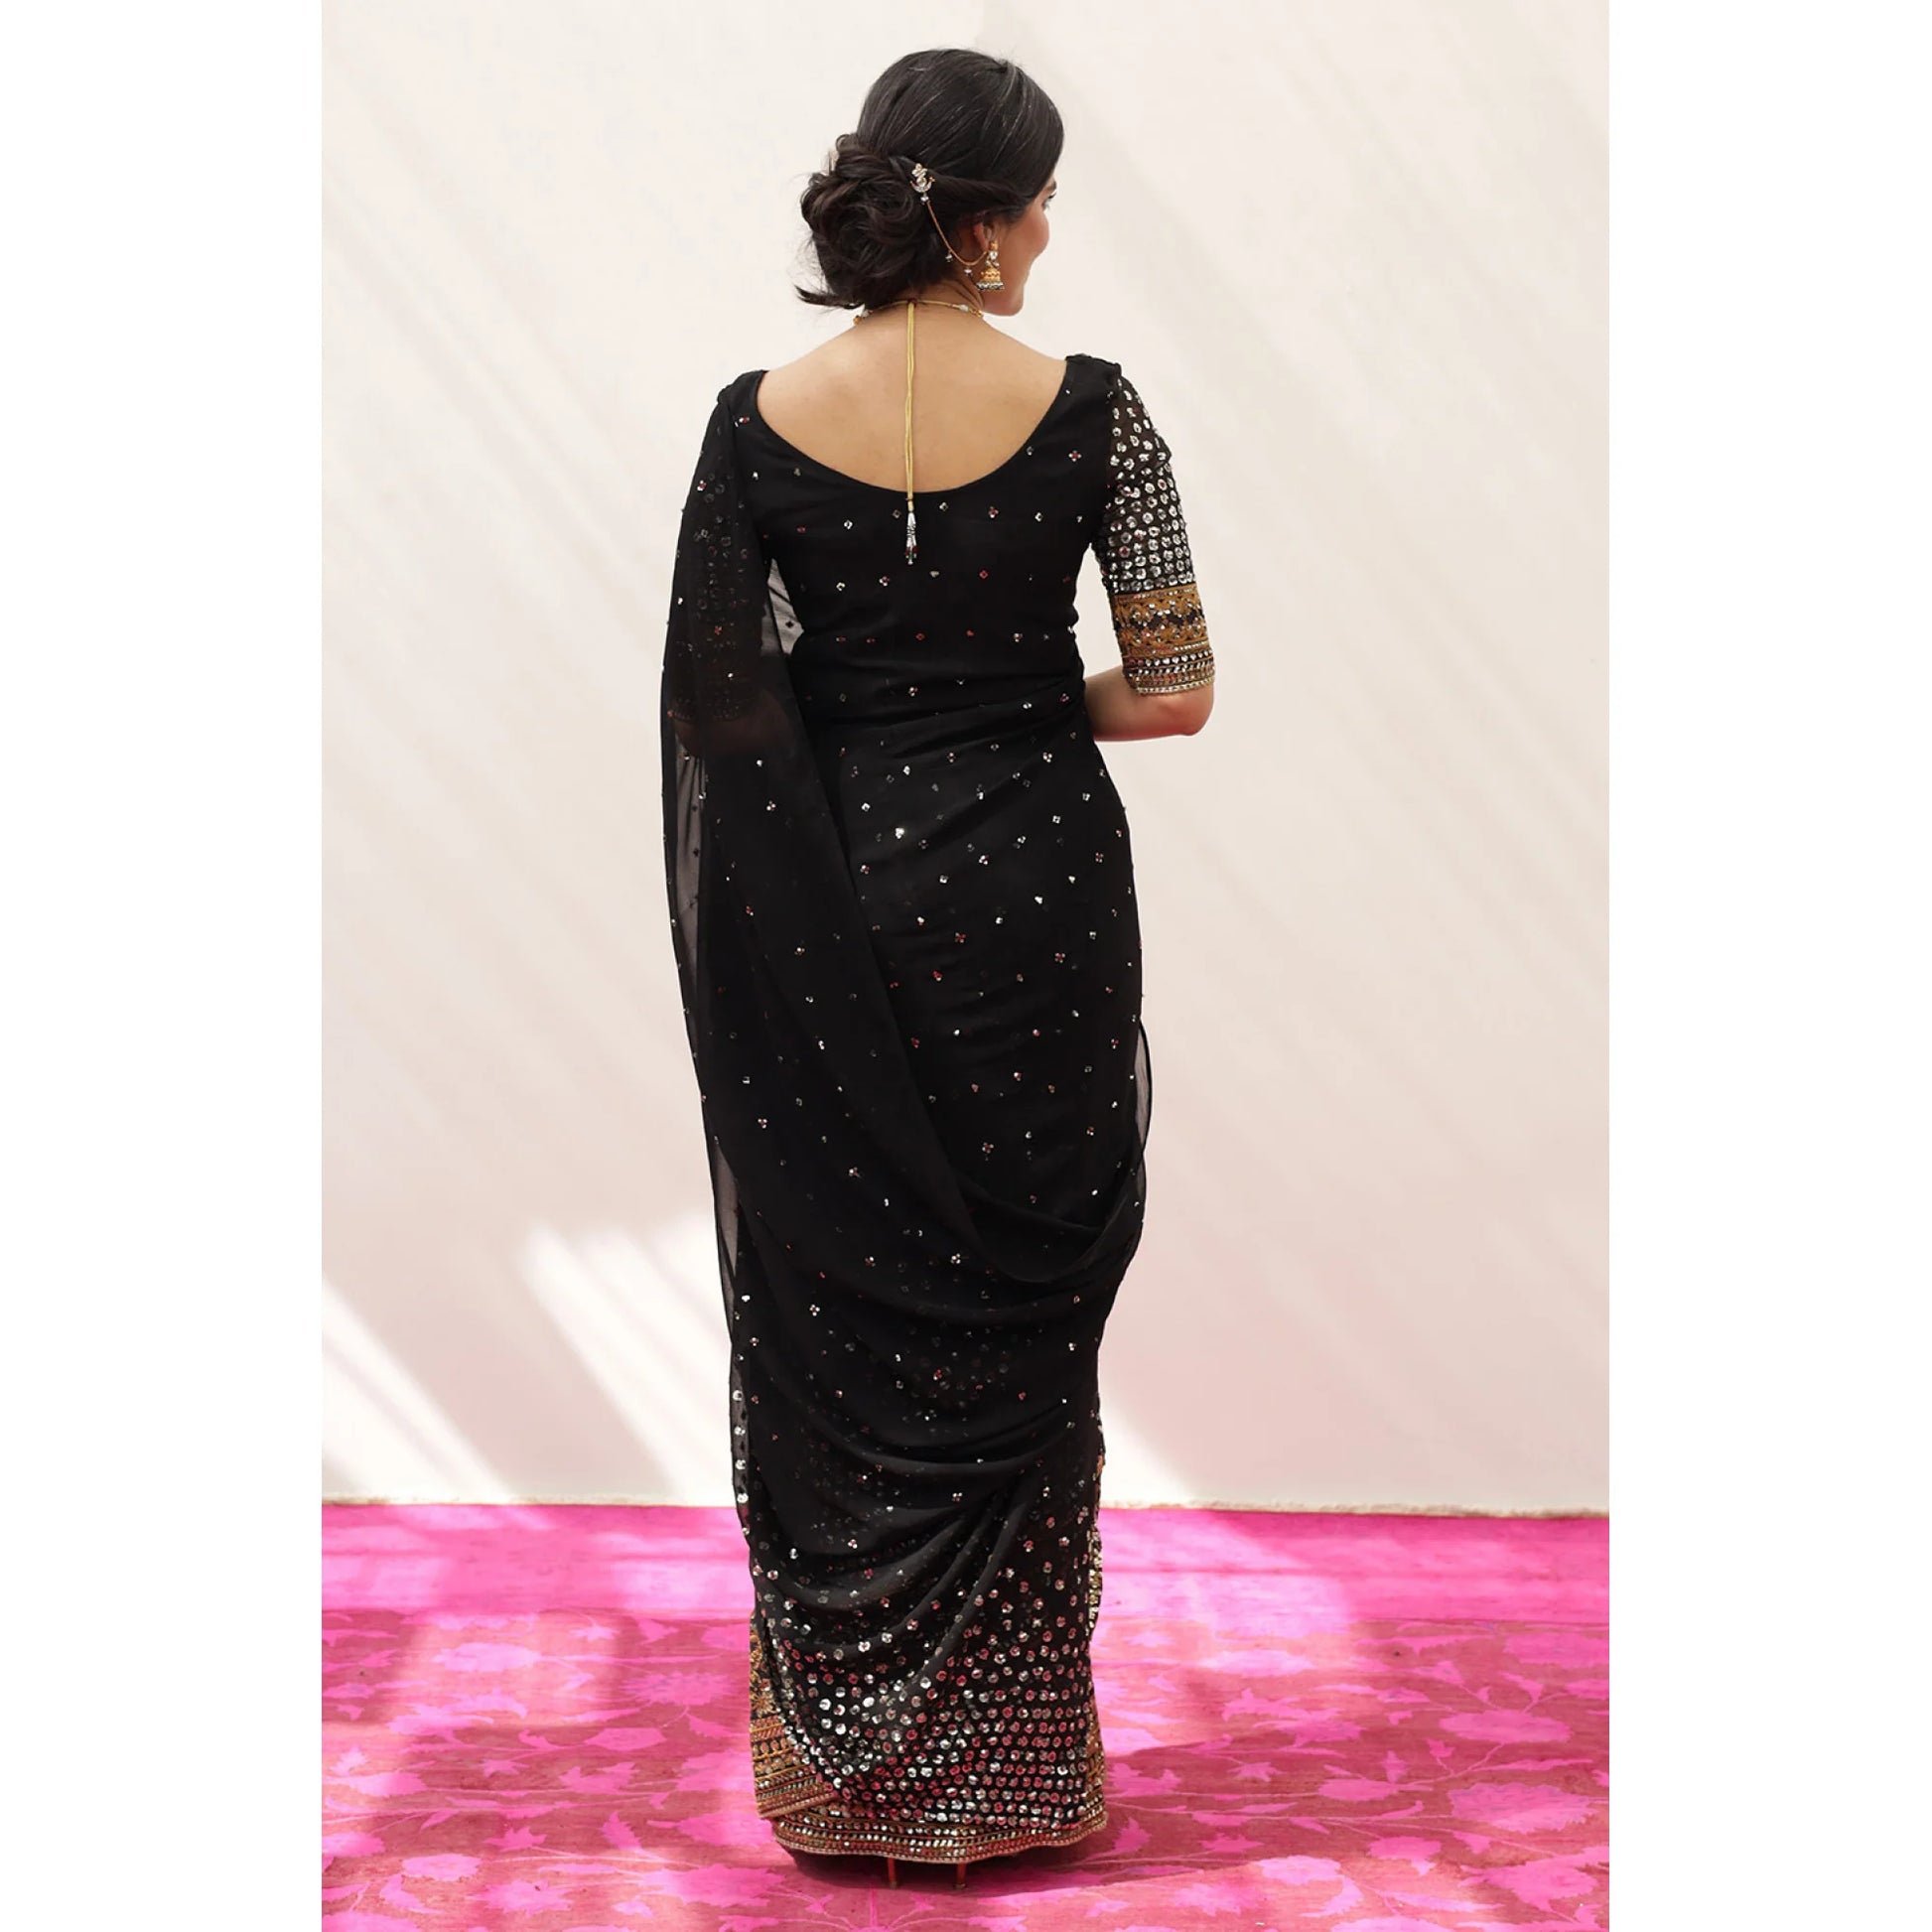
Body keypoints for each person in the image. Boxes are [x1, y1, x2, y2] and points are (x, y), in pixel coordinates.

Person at [659, 47, 1214, 1886]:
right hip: (1039, 891)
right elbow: (1177, 689)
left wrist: (865, 729)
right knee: (1022, 1318)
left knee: (836, 1303)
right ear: (985, 221)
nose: (1048, 233)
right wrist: (1010, 703)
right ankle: (1018, 1770)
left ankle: (849, 1777)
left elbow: (723, 705)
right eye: (1041, 203)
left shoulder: (753, 422)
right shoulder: (1097, 411)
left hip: (833, 913)